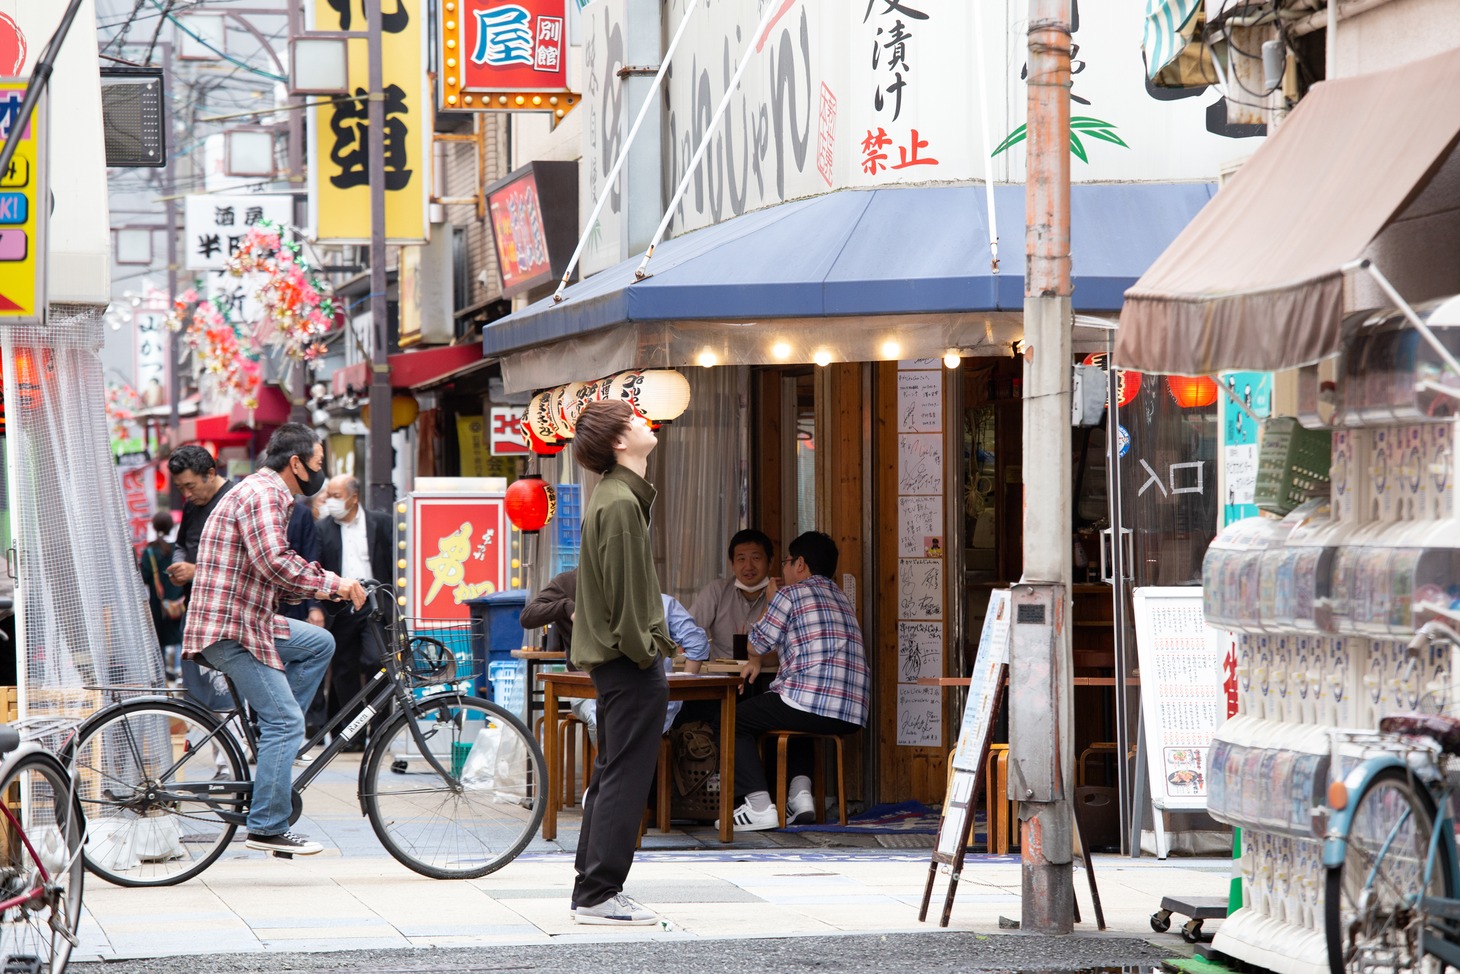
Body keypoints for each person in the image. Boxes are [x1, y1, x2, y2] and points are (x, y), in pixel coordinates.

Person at [183, 423, 366, 857]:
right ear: (297, 463)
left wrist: (320, 588)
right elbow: (276, 563)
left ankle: (274, 744)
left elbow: (275, 576)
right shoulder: (264, 494)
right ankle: (266, 825)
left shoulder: (265, 492)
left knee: (319, 644)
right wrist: (335, 585)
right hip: (232, 627)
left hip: (251, 620)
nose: (321, 475)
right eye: (318, 464)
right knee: (287, 721)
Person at [567, 400, 674, 926]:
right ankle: (599, 893)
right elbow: (628, 603)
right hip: (629, 663)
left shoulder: (615, 498)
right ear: (618, 442)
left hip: (616, 663)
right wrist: (649, 653)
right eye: (632, 419)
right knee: (625, 779)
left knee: (611, 775)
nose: (643, 421)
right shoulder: (620, 504)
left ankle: (593, 887)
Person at [722, 531, 870, 832]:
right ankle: (801, 796)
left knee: (731, 720)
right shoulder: (840, 597)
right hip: (851, 713)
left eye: (787, 562)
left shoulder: (790, 594)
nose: (785, 569)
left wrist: (770, 600)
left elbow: (756, 644)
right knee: (793, 710)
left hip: (809, 700)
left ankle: (759, 805)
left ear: (800, 563)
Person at [521, 570, 708, 745]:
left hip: (641, 691)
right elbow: (528, 616)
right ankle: (613, 775)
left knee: (626, 717)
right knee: (604, 718)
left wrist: (679, 689)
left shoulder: (653, 598)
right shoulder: (571, 581)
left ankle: (622, 775)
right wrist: (566, 607)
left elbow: (697, 642)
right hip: (591, 687)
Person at [316, 474, 394, 748]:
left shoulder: (381, 522)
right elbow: (314, 568)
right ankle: (352, 735)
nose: (330, 502)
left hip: (374, 603)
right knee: (343, 669)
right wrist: (317, 606)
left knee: (378, 663)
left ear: (354, 497)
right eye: (329, 496)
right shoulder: (322, 528)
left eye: (336, 496)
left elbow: (395, 563)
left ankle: (383, 728)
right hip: (340, 605)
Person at [166, 446, 239, 711]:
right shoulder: (191, 506)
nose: (187, 494)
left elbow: (243, 564)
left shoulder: (235, 502)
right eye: (181, 488)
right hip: (196, 609)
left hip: (229, 616)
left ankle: (236, 749)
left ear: (210, 473)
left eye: (191, 486)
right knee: (196, 695)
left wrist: (195, 571)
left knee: (229, 693)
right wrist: (178, 567)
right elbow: (181, 545)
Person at [688, 529, 777, 670]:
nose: (748, 566)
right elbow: (689, 629)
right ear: (732, 564)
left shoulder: (783, 595)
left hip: (767, 677)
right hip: (721, 679)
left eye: (756, 558)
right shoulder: (716, 591)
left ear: (770, 562)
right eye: (741, 559)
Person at [138, 510, 185, 680]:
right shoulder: (178, 548)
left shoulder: (150, 552)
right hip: (180, 601)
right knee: (181, 635)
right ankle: (182, 669)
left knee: (160, 638)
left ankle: (164, 672)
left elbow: (144, 576)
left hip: (159, 604)